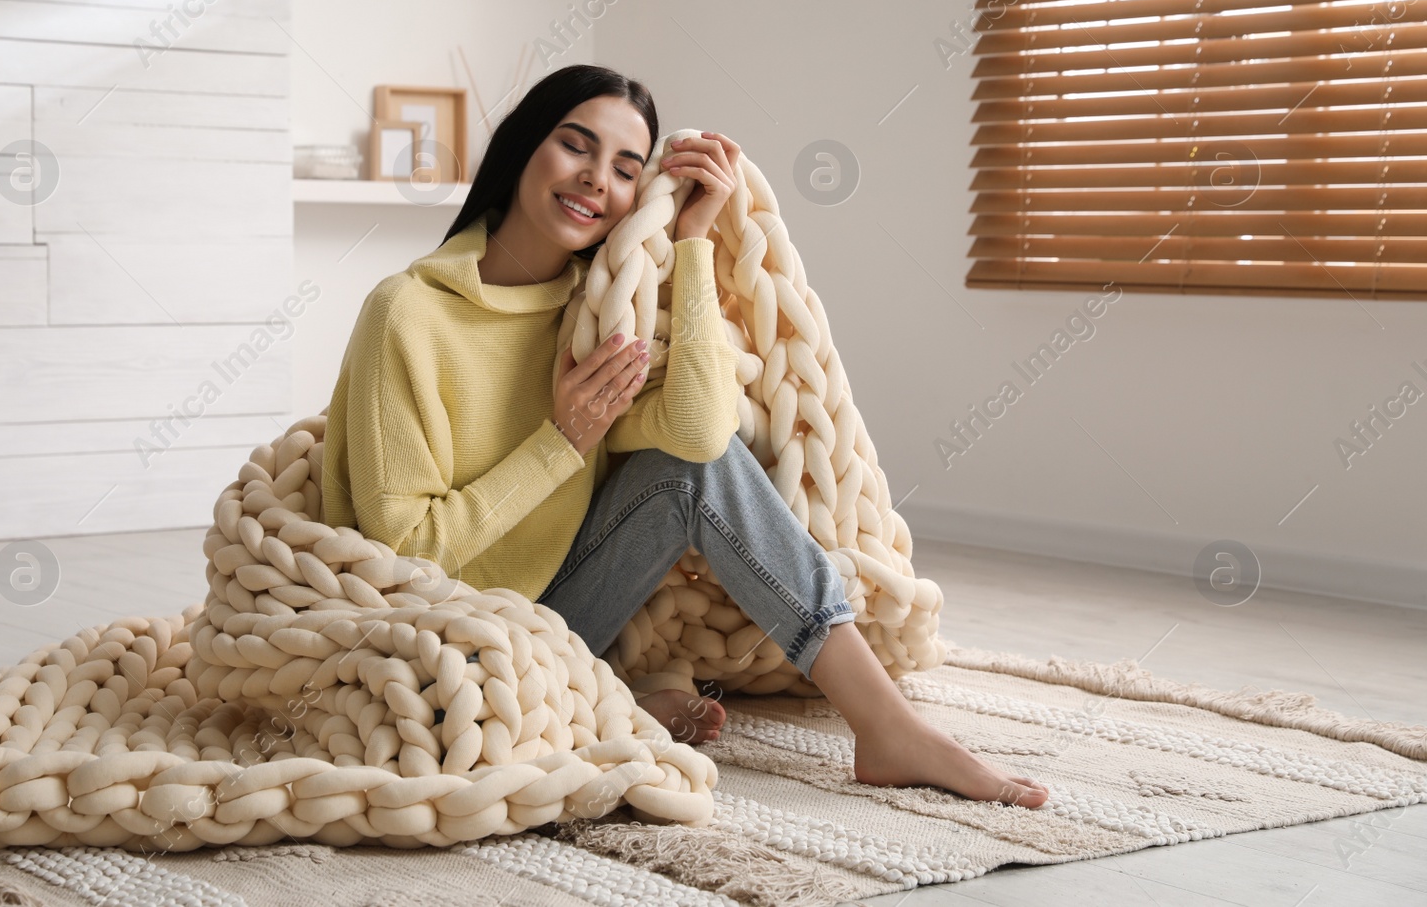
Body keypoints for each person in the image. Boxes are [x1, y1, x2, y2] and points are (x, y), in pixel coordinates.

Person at [323, 63, 1049, 807]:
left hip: (563, 613)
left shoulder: (598, 307)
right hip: (453, 643)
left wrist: (694, 242)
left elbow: (699, 439)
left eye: (625, 168)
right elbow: (406, 551)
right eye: (576, 146)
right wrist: (560, 443)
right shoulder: (408, 313)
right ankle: (609, 697)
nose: (596, 179)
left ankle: (886, 727)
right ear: (520, 149)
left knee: (686, 465)